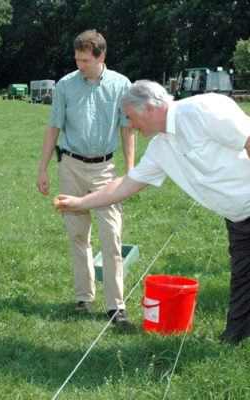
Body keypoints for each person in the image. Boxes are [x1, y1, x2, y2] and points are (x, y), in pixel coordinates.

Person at [54, 79, 250, 344]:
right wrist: (80, 203)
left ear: (148, 108)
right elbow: (125, 184)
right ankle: (233, 340)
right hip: (238, 218)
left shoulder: (203, 109)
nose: (130, 125)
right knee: (243, 279)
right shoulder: (160, 148)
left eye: (130, 117)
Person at [37, 29, 135, 324]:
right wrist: (42, 169)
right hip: (71, 167)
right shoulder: (66, 86)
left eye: (85, 60)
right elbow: (53, 128)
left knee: (112, 235)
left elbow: (127, 128)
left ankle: (116, 306)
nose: (79, 65)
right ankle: (83, 298)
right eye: (77, 59)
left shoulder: (121, 85)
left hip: (106, 170)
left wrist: (131, 171)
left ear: (101, 57)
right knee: (78, 234)